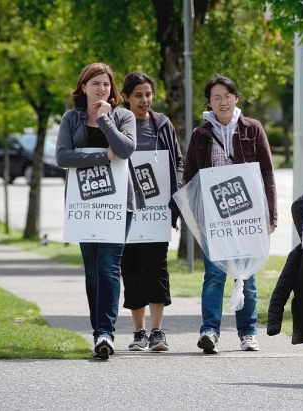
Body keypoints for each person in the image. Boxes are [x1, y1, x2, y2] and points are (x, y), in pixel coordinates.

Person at [56, 62, 145, 359]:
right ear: (83, 87)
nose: (101, 88)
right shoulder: (72, 118)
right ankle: (99, 334)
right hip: (85, 206)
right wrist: (101, 156)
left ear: (112, 88)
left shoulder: (124, 116)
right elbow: (63, 156)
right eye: (95, 83)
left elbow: (126, 150)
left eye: (106, 84)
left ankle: (105, 332)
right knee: (92, 271)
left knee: (109, 265)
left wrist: (106, 121)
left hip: (120, 206)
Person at [183, 74, 277, 354]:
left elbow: (268, 173)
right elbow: (189, 178)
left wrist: (270, 216)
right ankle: (209, 331)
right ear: (209, 103)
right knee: (214, 275)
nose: (222, 102)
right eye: (216, 97)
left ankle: (247, 332)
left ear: (236, 98)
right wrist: (194, 216)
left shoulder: (253, 129)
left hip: (247, 216)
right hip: (213, 219)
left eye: (227, 96)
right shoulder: (200, 135)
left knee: (246, 277)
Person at [120, 72, 183, 352]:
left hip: (157, 213)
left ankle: (157, 332)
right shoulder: (119, 124)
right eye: (138, 95)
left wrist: (176, 190)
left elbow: (177, 162)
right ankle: (138, 332)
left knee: (157, 268)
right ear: (126, 98)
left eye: (148, 94)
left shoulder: (162, 125)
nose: (144, 100)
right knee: (131, 269)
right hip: (126, 212)